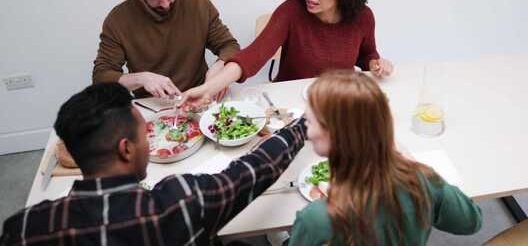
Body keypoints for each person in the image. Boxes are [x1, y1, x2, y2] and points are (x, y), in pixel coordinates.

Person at [0, 83, 307, 245]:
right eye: (144, 134)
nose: (149, 141)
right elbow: (252, 171)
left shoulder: (24, 228)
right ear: (126, 149)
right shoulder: (179, 202)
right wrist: (302, 126)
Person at [180, 0, 393, 107]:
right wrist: (208, 89)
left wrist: (376, 63)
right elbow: (251, 56)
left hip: (336, 101)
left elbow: (367, 56)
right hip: (290, 102)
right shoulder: (291, 12)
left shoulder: (363, 17)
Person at [288, 71, 482, 245]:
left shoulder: (315, 220)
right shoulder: (424, 182)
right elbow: (472, 222)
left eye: (309, 122)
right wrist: (418, 170)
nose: (307, 131)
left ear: (336, 135)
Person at [92, 0, 239, 100]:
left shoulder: (198, 3)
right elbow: (101, 76)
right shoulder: (118, 19)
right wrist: (142, 78)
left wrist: (220, 68)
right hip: (151, 105)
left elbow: (230, 46)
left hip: (200, 97)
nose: (165, 3)